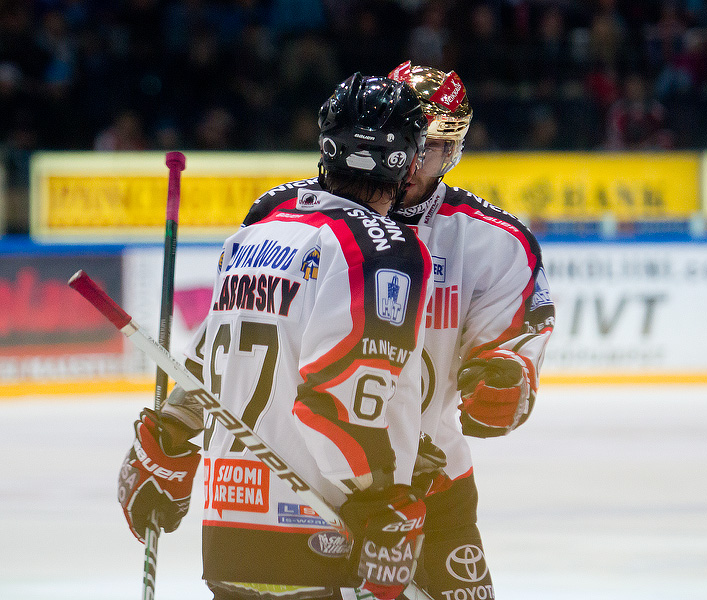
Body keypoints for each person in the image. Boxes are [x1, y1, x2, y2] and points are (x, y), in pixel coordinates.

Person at [241, 62, 556, 600]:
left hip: (432, 478)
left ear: (452, 153)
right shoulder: (287, 215)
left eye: (430, 149)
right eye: (407, 142)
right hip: (306, 477)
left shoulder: (492, 242)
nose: (410, 163)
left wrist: (505, 376)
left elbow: (512, 342)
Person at [116, 73, 435, 600]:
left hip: (229, 535)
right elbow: (334, 403)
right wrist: (382, 504)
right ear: (407, 161)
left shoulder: (258, 230)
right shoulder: (381, 250)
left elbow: (207, 360)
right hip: (328, 540)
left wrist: (169, 435)